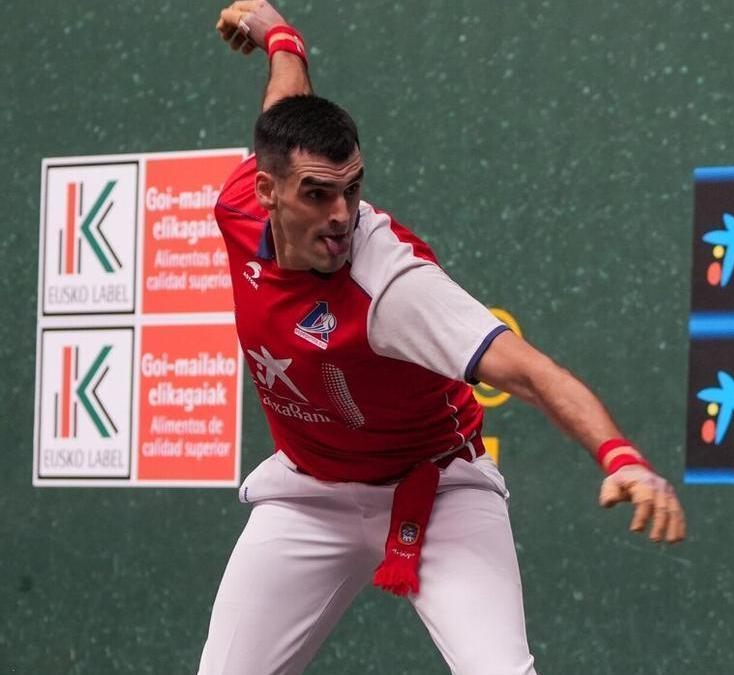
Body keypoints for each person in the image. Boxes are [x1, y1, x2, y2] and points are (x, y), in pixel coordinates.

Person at [200, 3, 685, 673]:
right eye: (316, 194)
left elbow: (531, 372)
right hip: (310, 494)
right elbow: (285, 109)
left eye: (352, 189)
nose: (340, 215)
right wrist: (283, 41)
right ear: (267, 192)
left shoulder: (393, 287)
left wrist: (621, 456)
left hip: (436, 489)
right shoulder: (237, 203)